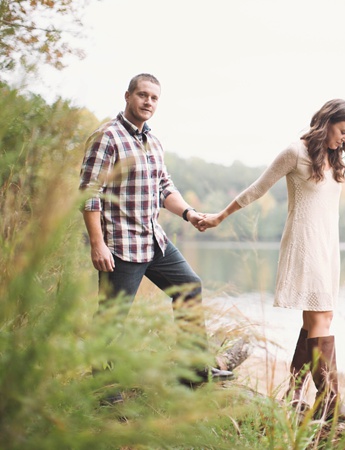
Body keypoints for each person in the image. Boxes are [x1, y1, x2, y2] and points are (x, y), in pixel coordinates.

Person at [196, 99, 345, 421]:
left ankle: (295, 393)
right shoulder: (294, 152)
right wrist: (219, 216)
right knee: (321, 318)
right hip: (304, 243)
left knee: (313, 322)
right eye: (343, 131)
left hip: (327, 245)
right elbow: (258, 188)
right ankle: (329, 400)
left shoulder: (333, 157)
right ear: (326, 123)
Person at [78, 73, 233, 388]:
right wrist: (98, 244)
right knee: (112, 318)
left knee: (189, 286)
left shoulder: (153, 141)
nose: (148, 102)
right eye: (142, 95)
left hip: (154, 241)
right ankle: (104, 389)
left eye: (154, 97)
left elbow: (164, 188)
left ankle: (192, 370)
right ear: (128, 96)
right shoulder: (106, 137)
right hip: (120, 245)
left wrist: (189, 213)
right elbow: (89, 194)